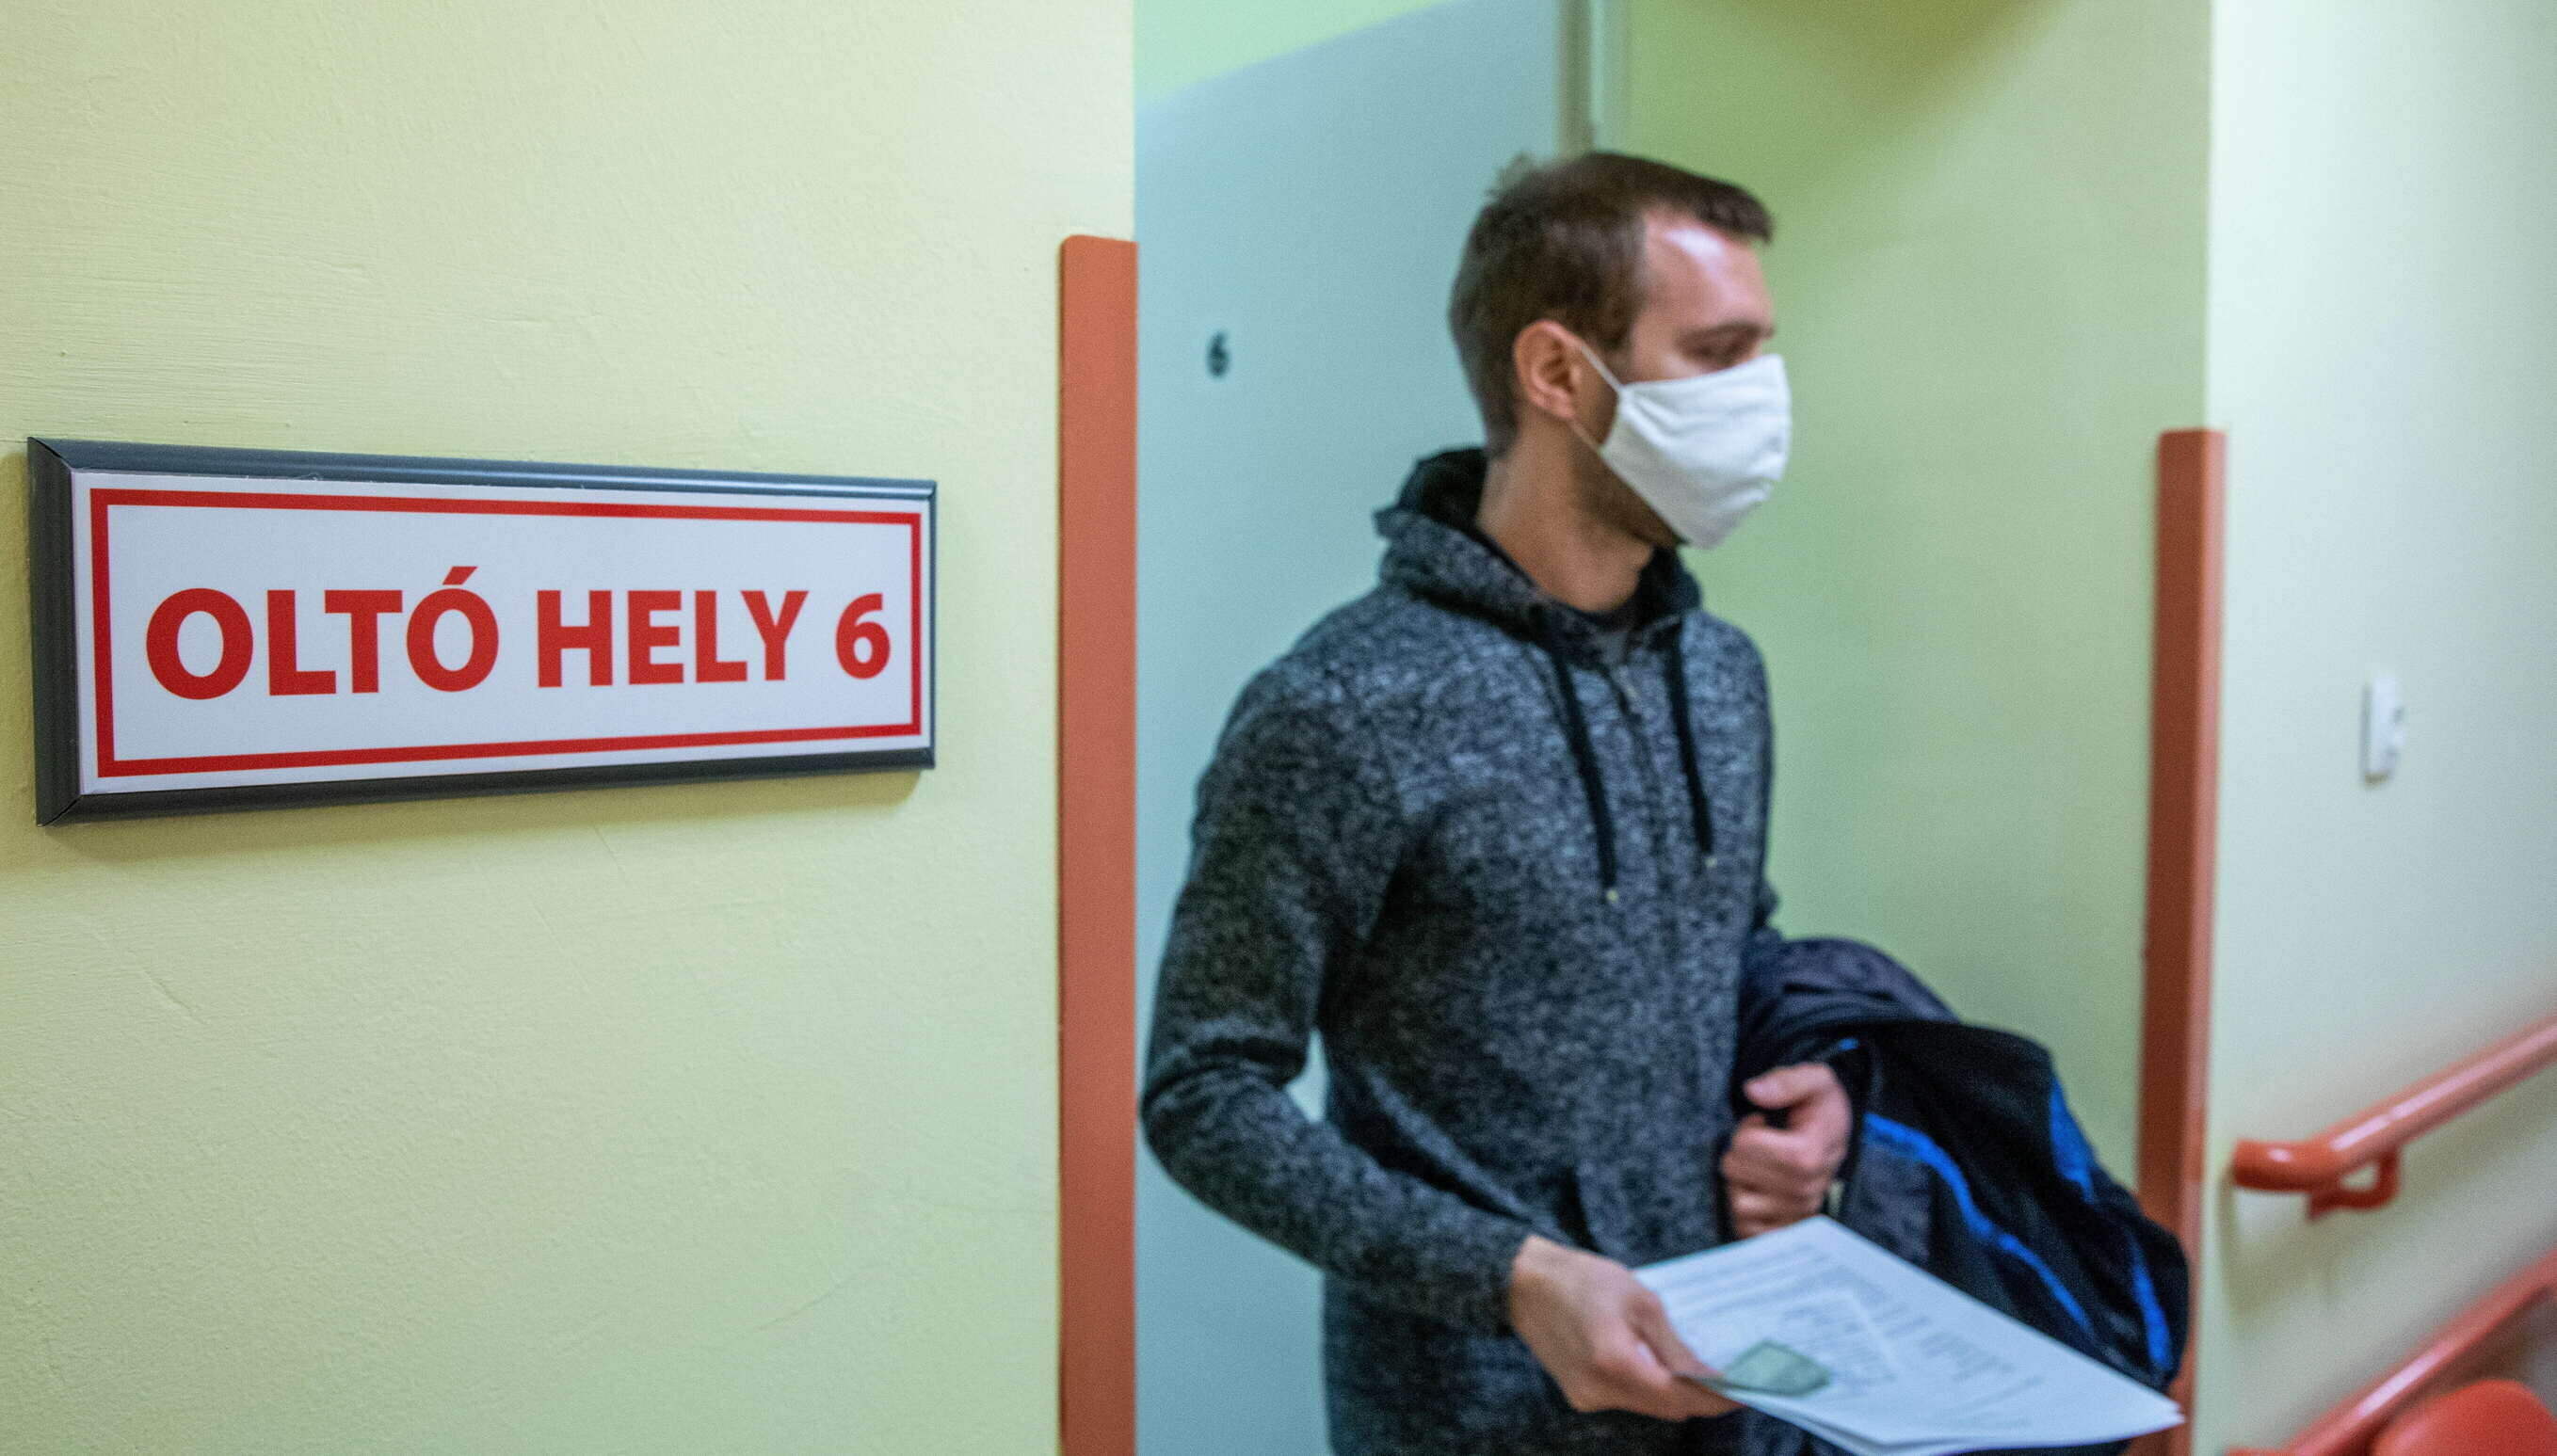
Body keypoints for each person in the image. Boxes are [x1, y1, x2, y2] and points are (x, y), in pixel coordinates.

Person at [1142, 152, 1854, 1456]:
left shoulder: (1721, 671)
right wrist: (1512, 1278)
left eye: (1764, 351)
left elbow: (1730, 945)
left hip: (1735, 1392)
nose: (1763, 398)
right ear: (1558, 374)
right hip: (1472, 1422)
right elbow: (1205, 1093)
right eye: (1718, 353)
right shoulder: (1344, 706)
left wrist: (1813, 1111)